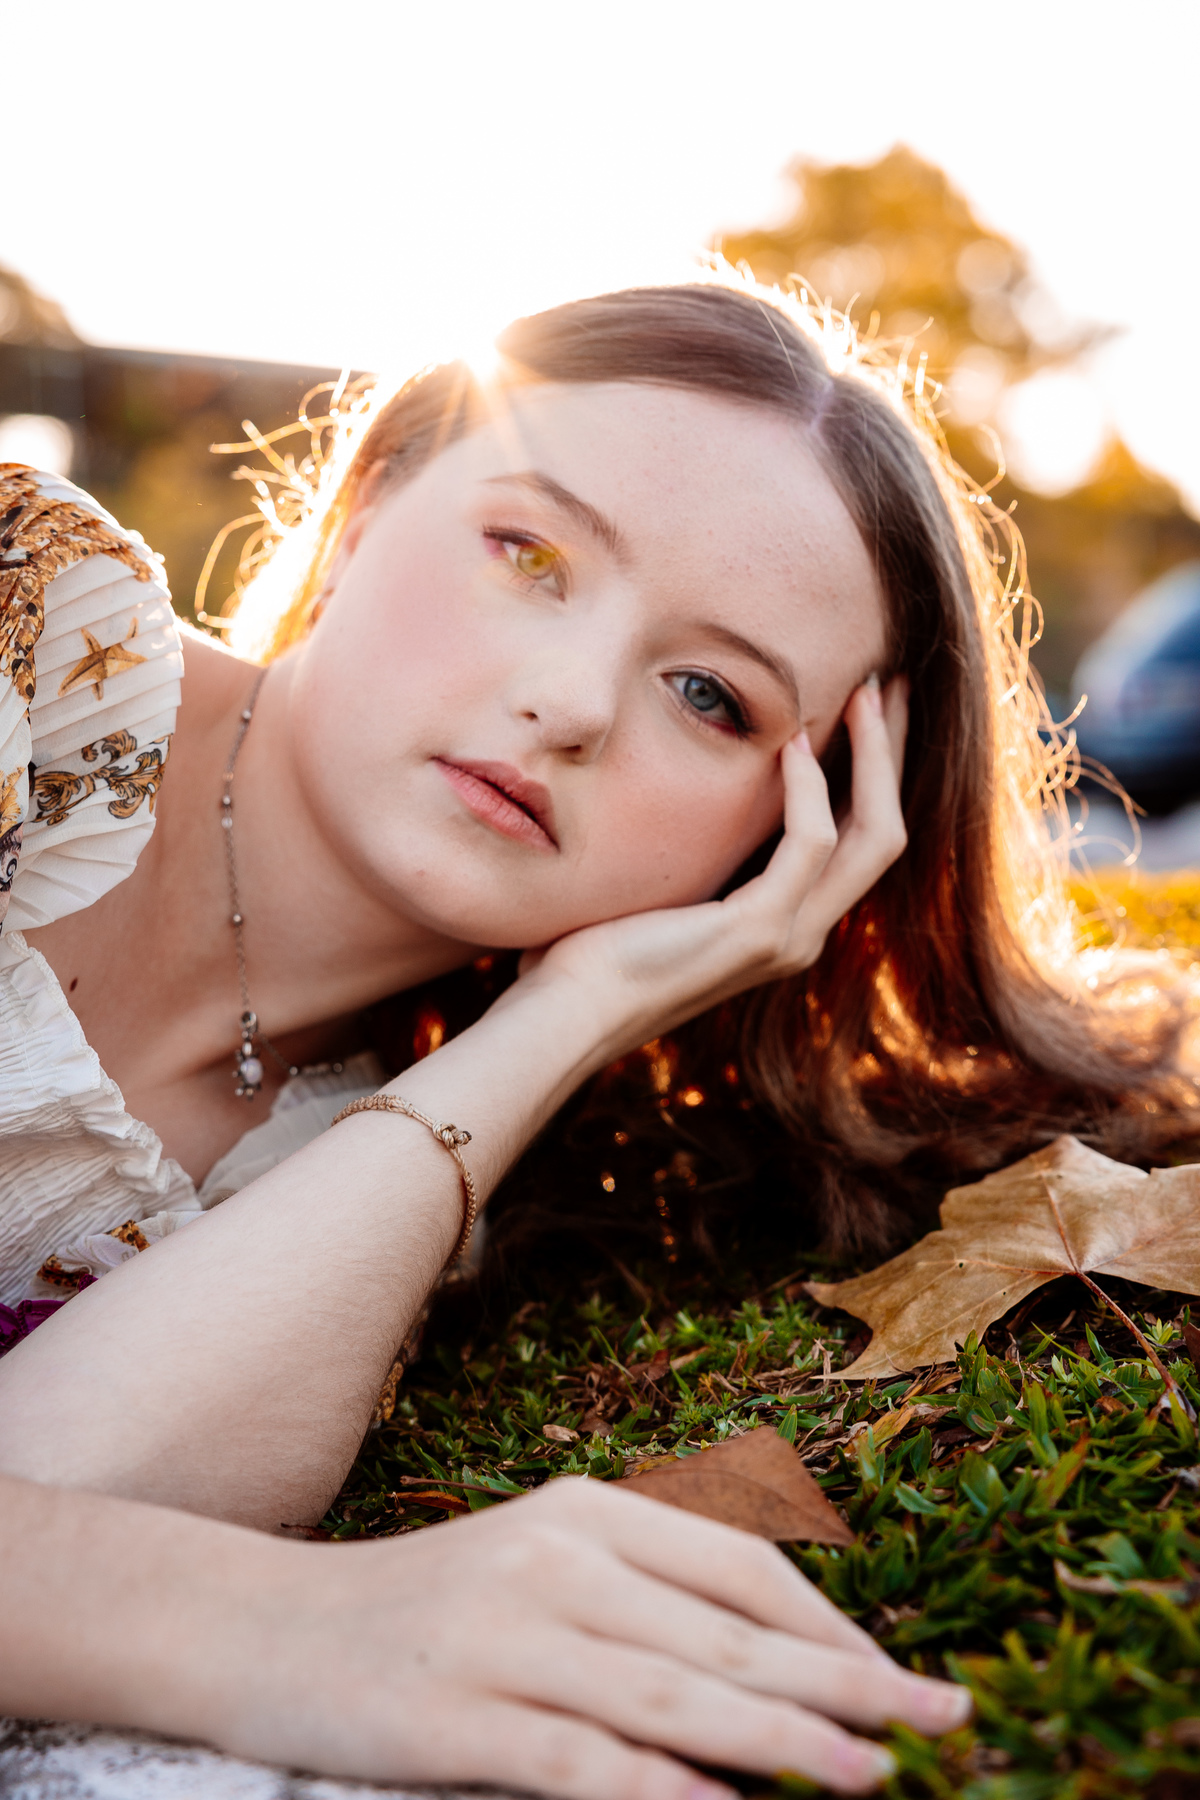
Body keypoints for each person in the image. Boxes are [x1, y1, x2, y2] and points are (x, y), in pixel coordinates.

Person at [0, 276, 1192, 1795]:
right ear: (366, 512)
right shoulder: (28, 645)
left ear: (799, 832)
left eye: (710, 696)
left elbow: (45, 1478)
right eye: (529, 553)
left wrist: (570, 1016)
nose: (568, 703)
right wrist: (278, 1627)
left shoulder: (390, 1143)